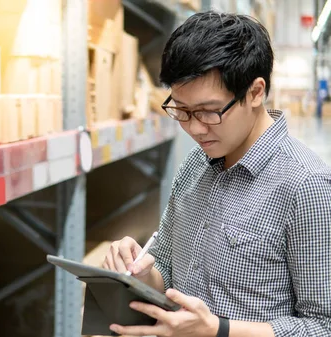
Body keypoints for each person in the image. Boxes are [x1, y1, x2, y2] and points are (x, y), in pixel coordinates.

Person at [102, 11, 331, 337]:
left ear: (255, 92)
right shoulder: (195, 166)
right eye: (182, 110)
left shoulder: (307, 186)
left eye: (208, 112)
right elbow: (165, 266)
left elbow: (323, 325)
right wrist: (139, 273)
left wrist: (219, 330)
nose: (194, 128)